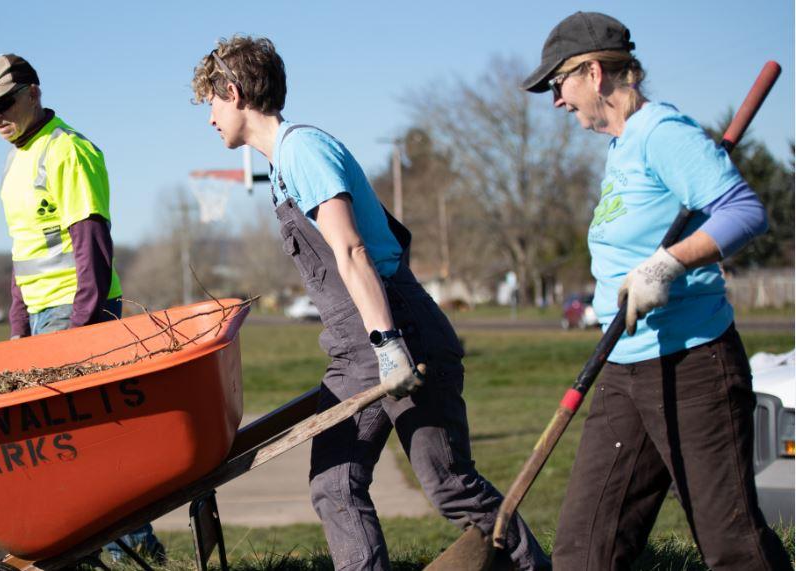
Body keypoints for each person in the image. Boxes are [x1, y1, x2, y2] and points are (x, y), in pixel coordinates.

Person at [190, 37, 550, 571]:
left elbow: (353, 249)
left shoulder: (301, 150)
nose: (210, 118)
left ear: (235, 92)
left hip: (393, 333)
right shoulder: (285, 165)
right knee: (334, 483)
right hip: (356, 348)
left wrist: (388, 345)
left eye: (212, 104)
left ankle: (534, 566)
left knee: (449, 485)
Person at [522, 12, 790, 570]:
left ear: (594, 73)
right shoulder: (622, 149)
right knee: (585, 550)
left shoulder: (662, 134)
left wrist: (666, 264)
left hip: (694, 366)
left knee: (731, 545)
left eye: (559, 84)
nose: (557, 101)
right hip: (624, 367)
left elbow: (744, 212)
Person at [0, 53, 163, 563]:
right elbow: (25, 253)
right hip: (40, 317)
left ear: (33, 92)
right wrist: (18, 329)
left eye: (2, 102)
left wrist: (84, 329)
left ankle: (126, 549)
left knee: (84, 443)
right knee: (70, 445)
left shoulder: (67, 151)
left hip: (76, 311)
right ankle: (102, 549)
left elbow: (91, 244)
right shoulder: (17, 159)